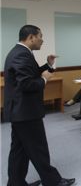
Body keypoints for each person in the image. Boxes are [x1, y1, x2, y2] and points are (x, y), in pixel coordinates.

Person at [4, 25, 75, 186]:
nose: (42, 40)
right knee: (38, 148)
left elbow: (31, 73)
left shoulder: (21, 53)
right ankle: (53, 181)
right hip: (26, 112)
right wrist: (45, 79)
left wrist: (48, 65)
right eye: (40, 36)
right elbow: (27, 84)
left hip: (20, 112)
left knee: (19, 150)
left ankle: (15, 183)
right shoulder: (21, 55)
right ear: (31, 37)